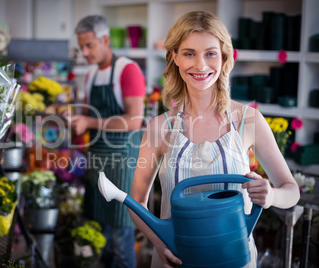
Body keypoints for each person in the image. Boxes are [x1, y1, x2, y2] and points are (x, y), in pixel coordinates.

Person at [128, 11, 300, 268]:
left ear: (224, 57)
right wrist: (161, 245)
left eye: (210, 53)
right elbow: (137, 202)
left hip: (235, 260)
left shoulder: (248, 121)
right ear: (174, 56)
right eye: (189, 53)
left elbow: (292, 190)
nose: (200, 65)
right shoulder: (159, 128)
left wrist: (272, 195)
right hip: (175, 260)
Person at [71, 15, 146, 268]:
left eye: (89, 45)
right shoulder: (91, 74)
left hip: (122, 161)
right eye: (81, 46)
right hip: (97, 159)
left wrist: (88, 123)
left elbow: (134, 120)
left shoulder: (128, 70)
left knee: (121, 233)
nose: (84, 52)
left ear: (105, 40)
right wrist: (72, 116)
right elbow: (89, 114)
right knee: (98, 228)